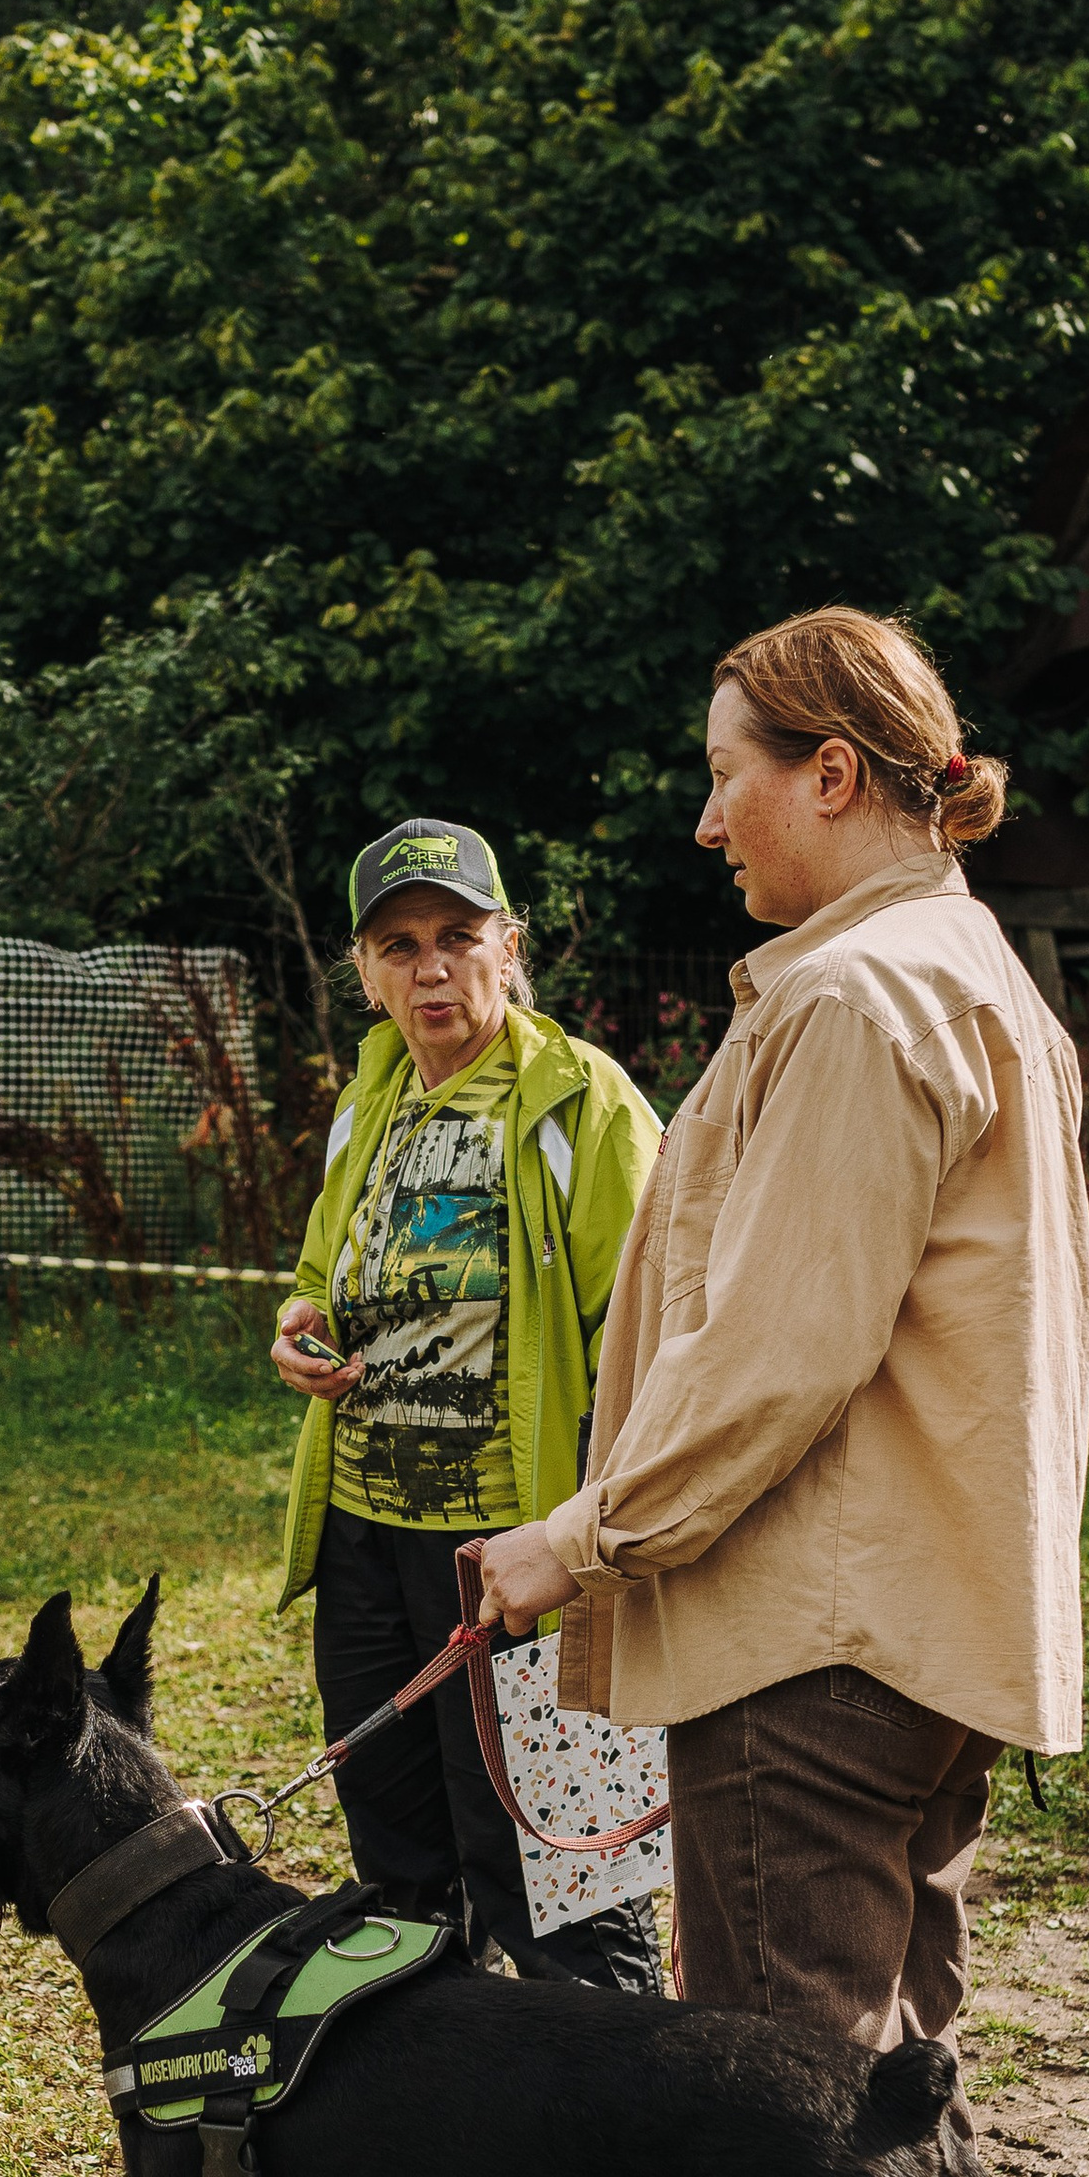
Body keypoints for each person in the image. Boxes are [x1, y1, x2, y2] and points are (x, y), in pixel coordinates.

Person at [478, 607, 1089, 2177]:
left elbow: (774, 1352)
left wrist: (573, 1537)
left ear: (832, 768)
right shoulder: (968, 976)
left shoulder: (853, 1001)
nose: (703, 806)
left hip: (816, 1642)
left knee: (788, 2131)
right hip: (914, 1633)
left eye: (727, 762)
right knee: (888, 2098)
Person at [274, 816, 666, 1988]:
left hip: (522, 1553)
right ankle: (443, 2143)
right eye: (398, 945)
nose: (429, 968)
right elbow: (317, 1276)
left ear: (509, 944)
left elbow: (654, 1336)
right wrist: (300, 1331)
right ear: (363, 969)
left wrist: (591, 1539)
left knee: (560, 1882)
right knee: (397, 1879)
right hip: (363, 1543)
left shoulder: (577, 1105)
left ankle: (611, 2132)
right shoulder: (369, 1095)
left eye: (455, 936)